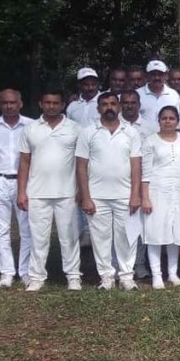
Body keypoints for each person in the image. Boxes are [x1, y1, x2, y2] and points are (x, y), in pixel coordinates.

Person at [75, 92, 143, 290]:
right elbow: (81, 166)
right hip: (97, 196)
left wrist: (135, 194)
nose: (109, 107)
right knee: (100, 238)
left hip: (124, 194)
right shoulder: (88, 132)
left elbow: (136, 165)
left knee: (126, 237)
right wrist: (86, 197)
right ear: (98, 109)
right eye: (104, 104)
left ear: (119, 107)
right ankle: (106, 276)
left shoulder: (131, 132)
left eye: (113, 104)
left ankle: (126, 276)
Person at [17, 90, 83, 291]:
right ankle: (36, 277)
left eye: (56, 102)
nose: (51, 106)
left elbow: (81, 162)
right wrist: (21, 191)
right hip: (37, 192)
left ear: (63, 105)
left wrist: (81, 189)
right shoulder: (30, 129)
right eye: (47, 102)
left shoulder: (75, 128)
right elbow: (24, 162)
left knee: (69, 237)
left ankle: (73, 276)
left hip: (67, 192)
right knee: (38, 237)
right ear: (40, 104)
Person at [140, 106, 180, 289]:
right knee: (155, 233)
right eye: (164, 118)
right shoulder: (150, 141)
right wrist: (145, 197)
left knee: (174, 233)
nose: (168, 121)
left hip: (178, 192)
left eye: (172, 118)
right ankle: (156, 275)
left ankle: (173, 273)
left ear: (178, 121)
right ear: (159, 121)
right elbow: (145, 172)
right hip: (157, 191)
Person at [0, 89, 32, 287]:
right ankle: (6, 272)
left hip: (25, 181)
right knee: (0, 229)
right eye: (5, 103)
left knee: (27, 229)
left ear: (20, 103)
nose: (9, 106)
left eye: (13, 102)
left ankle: (25, 270)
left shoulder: (32, 125)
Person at [120, 90, 158, 279]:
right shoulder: (114, 125)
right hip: (120, 181)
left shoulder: (149, 127)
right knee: (120, 226)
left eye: (132, 102)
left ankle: (140, 264)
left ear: (139, 104)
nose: (129, 106)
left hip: (144, 180)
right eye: (125, 102)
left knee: (141, 226)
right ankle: (119, 265)